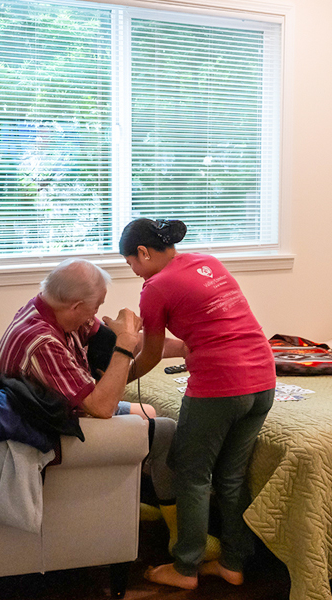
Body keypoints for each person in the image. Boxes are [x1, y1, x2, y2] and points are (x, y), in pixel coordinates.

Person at [119, 217, 276, 590]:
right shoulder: (209, 263)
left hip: (221, 385)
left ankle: (186, 568)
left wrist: (114, 381)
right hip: (263, 378)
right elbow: (195, 337)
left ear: (143, 252)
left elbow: (151, 354)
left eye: (132, 265)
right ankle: (233, 563)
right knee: (231, 476)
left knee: (191, 474)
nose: (136, 274)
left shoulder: (155, 287)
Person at [0, 257, 178, 543]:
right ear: (77, 306)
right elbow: (102, 408)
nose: (98, 314)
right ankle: (178, 533)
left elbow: (111, 337)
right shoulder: (43, 342)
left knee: (148, 411)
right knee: (165, 430)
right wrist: (124, 344)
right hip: (48, 430)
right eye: (96, 306)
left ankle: (132, 499)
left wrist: (186, 346)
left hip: (51, 409)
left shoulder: (49, 307)